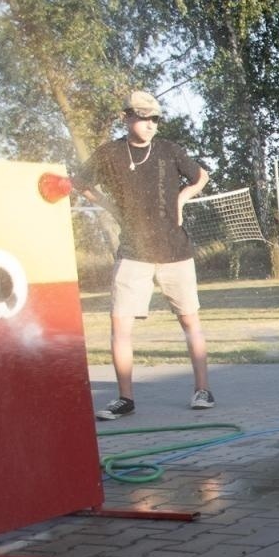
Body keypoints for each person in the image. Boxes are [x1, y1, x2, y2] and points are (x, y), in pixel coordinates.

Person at [76, 90, 212, 420]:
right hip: (133, 252)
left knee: (190, 321)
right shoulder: (109, 153)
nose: (151, 124)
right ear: (126, 118)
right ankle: (125, 399)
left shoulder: (169, 150)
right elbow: (80, 182)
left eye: (155, 119)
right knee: (120, 326)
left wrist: (181, 198)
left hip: (175, 251)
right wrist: (109, 206)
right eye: (143, 118)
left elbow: (201, 176)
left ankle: (202, 390)